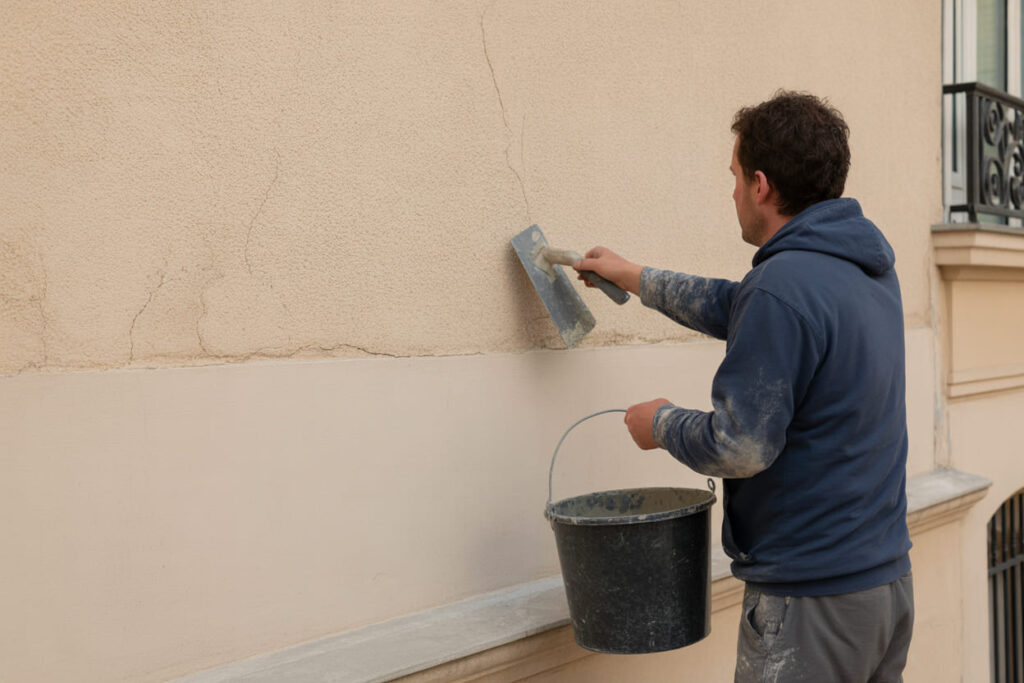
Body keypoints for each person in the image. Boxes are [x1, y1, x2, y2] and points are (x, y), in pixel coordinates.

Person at [574, 91, 914, 683]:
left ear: (761, 185)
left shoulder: (784, 287)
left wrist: (658, 424)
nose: (731, 191)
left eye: (734, 176)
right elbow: (738, 306)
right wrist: (633, 276)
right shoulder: (860, 271)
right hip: (883, 588)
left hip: (812, 605)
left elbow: (740, 446)